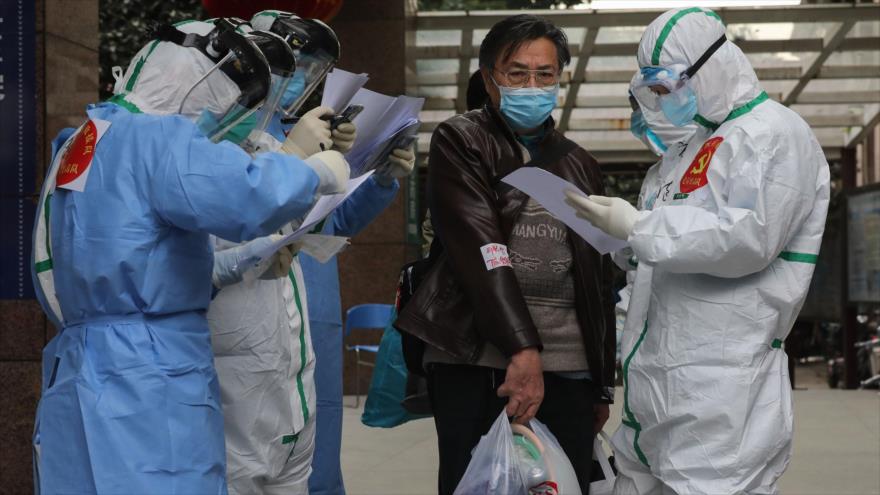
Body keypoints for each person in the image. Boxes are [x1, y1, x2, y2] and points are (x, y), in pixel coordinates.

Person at [30, 18, 350, 494]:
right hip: (153, 370)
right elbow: (249, 196)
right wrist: (312, 170)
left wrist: (232, 265)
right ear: (197, 76)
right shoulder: (155, 137)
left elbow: (54, 268)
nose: (225, 113)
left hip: (82, 364)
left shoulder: (87, 139)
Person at [565, 7, 830, 494]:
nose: (665, 102)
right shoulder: (689, 150)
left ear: (714, 63)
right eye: (657, 92)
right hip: (655, 383)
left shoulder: (772, 133)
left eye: (670, 85)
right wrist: (619, 240)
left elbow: (749, 239)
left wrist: (638, 226)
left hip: (721, 389)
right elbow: (660, 254)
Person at [395, 14, 615, 494]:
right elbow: (479, 248)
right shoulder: (463, 139)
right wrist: (522, 350)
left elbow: (598, 277)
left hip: (568, 365)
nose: (532, 85)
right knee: (476, 483)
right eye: (517, 73)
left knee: (564, 484)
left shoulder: (580, 164)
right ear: (488, 78)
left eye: (545, 74)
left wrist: (601, 380)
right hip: (477, 358)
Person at [206, 11, 416, 495]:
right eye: (292, 61)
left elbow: (332, 222)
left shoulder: (297, 127)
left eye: (311, 68)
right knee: (245, 454)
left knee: (313, 444)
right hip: (245, 316)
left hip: (310, 303)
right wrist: (295, 155)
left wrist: (380, 177)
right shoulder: (229, 131)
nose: (300, 75)